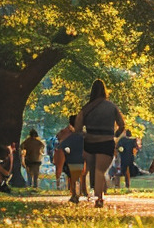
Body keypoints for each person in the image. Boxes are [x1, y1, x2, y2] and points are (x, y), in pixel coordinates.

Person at [74, 79, 126, 208]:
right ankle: (99, 198)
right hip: (106, 142)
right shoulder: (112, 106)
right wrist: (114, 136)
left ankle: (92, 193)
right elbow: (121, 125)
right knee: (100, 170)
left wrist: (84, 135)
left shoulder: (86, 108)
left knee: (92, 169)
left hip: (89, 142)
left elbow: (78, 127)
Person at [60, 122, 87, 203]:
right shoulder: (86, 137)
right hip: (82, 159)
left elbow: (62, 146)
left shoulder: (71, 137)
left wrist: (67, 151)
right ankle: (80, 192)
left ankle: (74, 195)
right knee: (80, 176)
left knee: (73, 178)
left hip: (72, 159)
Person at [53, 117, 73, 190]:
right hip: (68, 150)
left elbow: (57, 137)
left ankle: (60, 185)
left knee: (59, 168)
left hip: (62, 149)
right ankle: (69, 186)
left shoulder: (63, 131)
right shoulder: (72, 131)